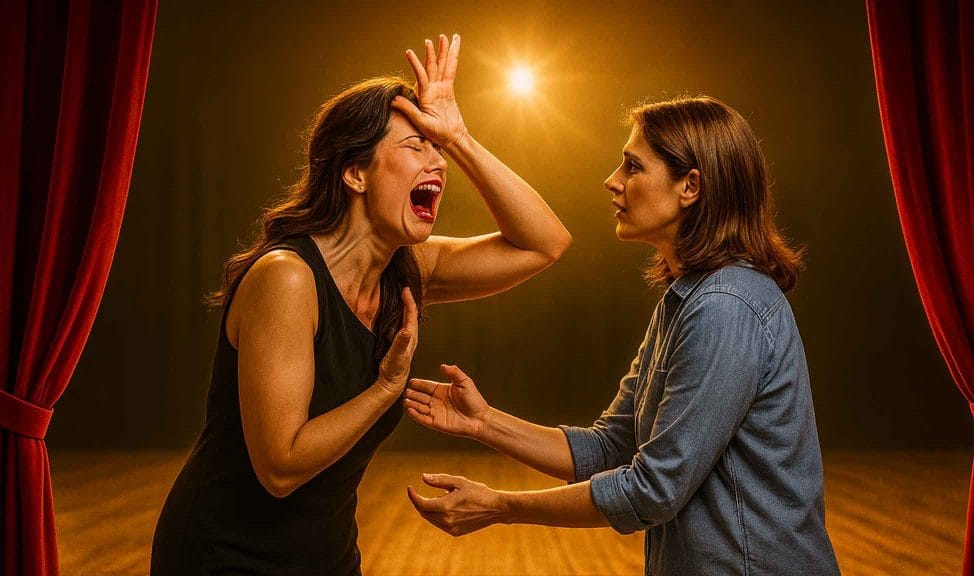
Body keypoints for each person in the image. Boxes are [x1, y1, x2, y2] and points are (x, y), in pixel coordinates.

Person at [150, 34, 572, 576]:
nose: (436, 162)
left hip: (325, 557)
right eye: (415, 146)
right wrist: (386, 390)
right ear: (355, 173)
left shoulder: (409, 266)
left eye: (437, 148)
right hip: (223, 556)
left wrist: (460, 137)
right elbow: (280, 467)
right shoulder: (287, 279)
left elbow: (545, 242)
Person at [403, 96, 840, 575]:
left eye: (633, 166)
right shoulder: (687, 299)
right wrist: (483, 422)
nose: (612, 180)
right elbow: (611, 448)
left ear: (690, 186)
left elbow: (654, 491)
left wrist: (502, 506)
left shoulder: (725, 306)